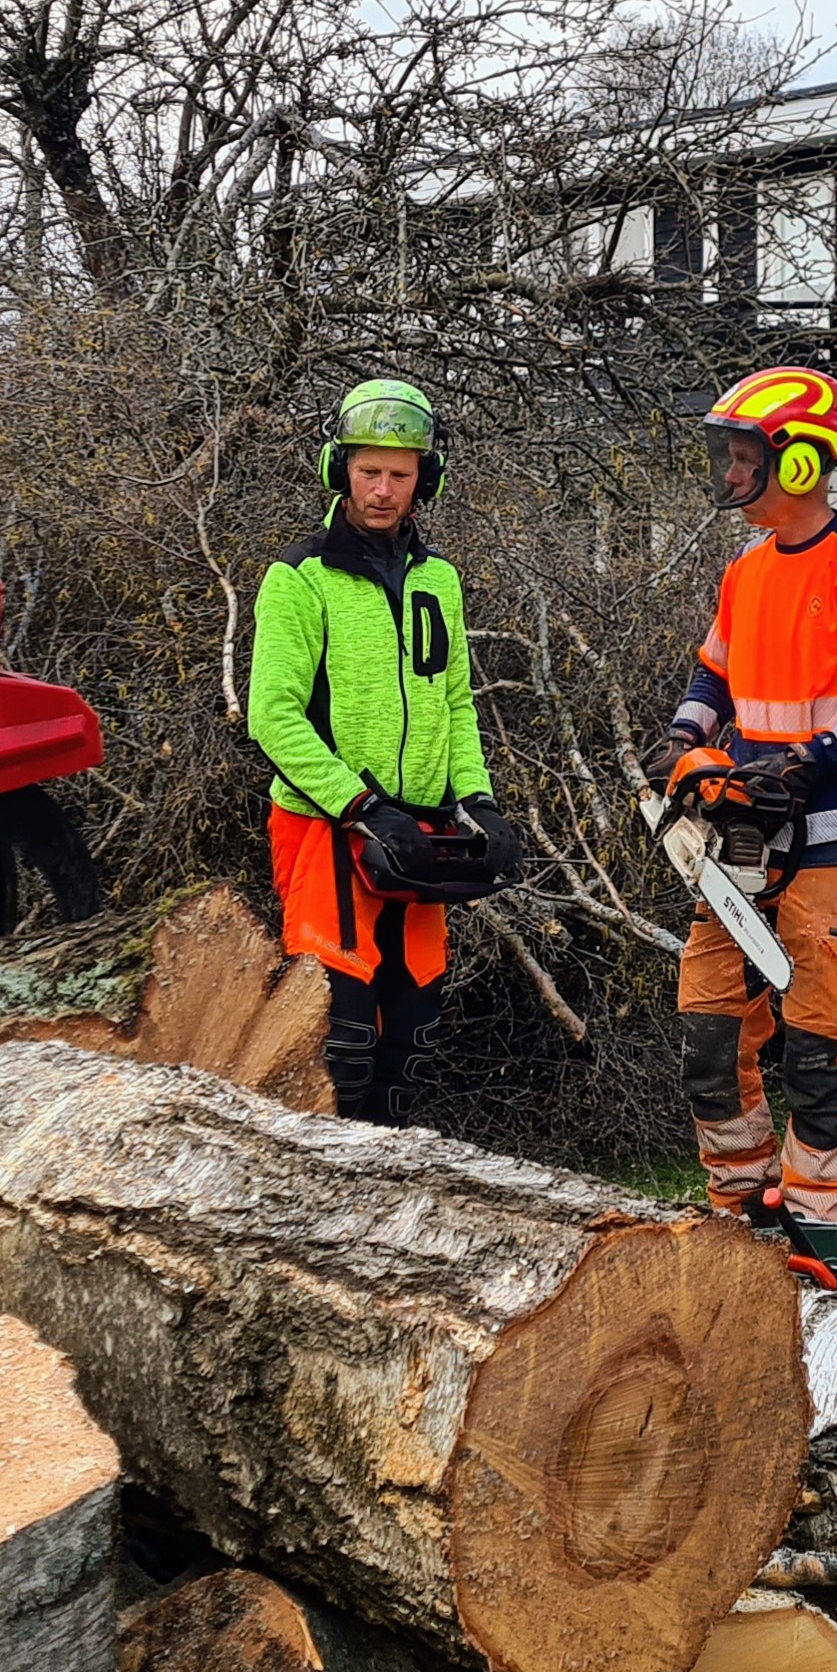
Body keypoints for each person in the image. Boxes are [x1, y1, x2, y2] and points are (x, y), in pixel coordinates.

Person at [650, 365, 837, 1225]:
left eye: (746, 458)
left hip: (835, 839)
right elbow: (714, 677)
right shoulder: (745, 570)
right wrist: (682, 739)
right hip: (737, 839)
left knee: (815, 1049)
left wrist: (810, 763)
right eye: (728, 457)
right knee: (709, 1040)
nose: (731, 476)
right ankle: (738, 1209)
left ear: (804, 464)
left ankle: (820, 1217)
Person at [246, 375, 521, 1124]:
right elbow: (271, 717)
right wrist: (359, 805)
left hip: (420, 834)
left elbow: (454, 703)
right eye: (369, 471)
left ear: (422, 480)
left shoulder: (439, 580)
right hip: (325, 829)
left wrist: (478, 802)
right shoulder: (300, 578)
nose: (382, 489)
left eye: (399, 474)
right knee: (338, 1032)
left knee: (410, 1025)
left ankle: (391, 1183)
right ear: (340, 469)